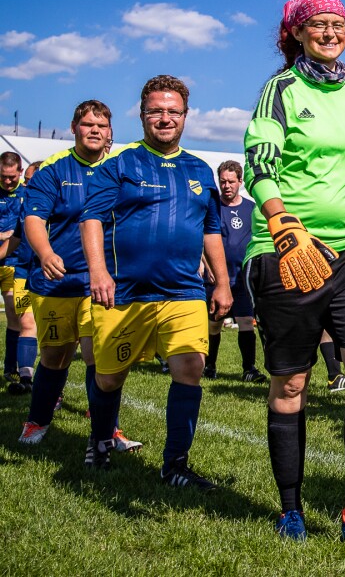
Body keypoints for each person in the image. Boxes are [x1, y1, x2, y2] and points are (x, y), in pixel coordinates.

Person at [242, 0, 345, 549]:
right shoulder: (280, 90)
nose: (331, 32)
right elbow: (259, 164)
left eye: (339, 24)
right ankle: (290, 507)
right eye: (319, 24)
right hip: (286, 244)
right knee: (291, 381)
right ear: (296, 33)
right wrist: (282, 223)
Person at [79, 76, 232, 488]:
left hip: (184, 291)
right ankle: (101, 438)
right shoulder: (120, 164)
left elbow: (211, 229)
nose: (165, 118)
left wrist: (222, 282)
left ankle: (175, 466)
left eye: (173, 111)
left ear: (185, 116)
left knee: (191, 367)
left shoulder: (199, 170)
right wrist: (98, 272)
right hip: (125, 292)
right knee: (109, 377)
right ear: (143, 114)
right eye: (156, 111)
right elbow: (91, 218)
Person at [16, 101, 142, 454]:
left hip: (101, 281)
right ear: (74, 128)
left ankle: (107, 431)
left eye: (101, 126)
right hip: (56, 281)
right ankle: (37, 420)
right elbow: (34, 219)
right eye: (87, 124)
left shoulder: (120, 169)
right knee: (55, 357)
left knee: (98, 355)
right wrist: (45, 253)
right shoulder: (54, 168)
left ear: (110, 131)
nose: (94, 131)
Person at [202, 160, 265, 383]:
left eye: (231, 181)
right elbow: (201, 239)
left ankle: (249, 369)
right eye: (223, 182)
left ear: (240, 181)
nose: (226, 186)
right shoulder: (211, 207)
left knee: (246, 321)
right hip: (217, 278)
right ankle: (209, 365)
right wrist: (206, 265)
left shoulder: (251, 208)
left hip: (242, 278)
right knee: (215, 323)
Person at [2, 161, 40, 395]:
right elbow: (14, 240)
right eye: (25, 180)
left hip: (50, 276)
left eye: (30, 180)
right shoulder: (26, 208)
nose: (26, 185)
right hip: (22, 273)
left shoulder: (63, 206)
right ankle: (25, 377)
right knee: (26, 323)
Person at [0, 152, 24, 383]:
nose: (7, 181)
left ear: (20, 172)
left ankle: (11, 368)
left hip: (12, 264)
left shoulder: (28, 194)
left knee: (13, 314)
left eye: (11, 177)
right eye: (3, 177)